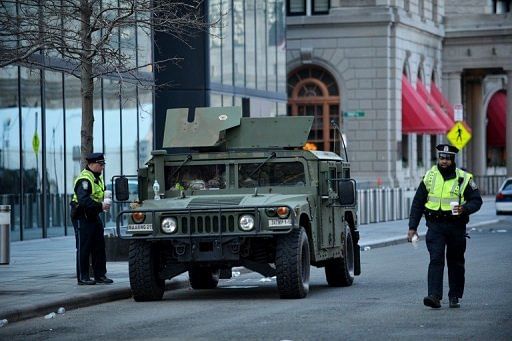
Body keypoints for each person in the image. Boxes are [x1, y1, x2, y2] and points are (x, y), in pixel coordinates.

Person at [407, 144, 482, 309]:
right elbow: (418, 203)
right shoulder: (430, 176)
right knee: (436, 259)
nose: (444, 161)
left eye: (447, 158)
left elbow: (477, 200)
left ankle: (454, 295)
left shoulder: (463, 178)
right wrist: (413, 227)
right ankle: (434, 296)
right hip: (435, 225)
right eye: (442, 158)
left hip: (456, 226)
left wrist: (465, 208)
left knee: (455, 262)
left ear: (453, 159)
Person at [70, 153, 113, 285]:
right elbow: (83, 201)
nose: (102, 167)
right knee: (84, 247)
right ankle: (83, 277)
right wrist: (100, 205)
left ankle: (100, 275)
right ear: (91, 164)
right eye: (100, 165)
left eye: (103, 165)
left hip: (93, 215)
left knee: (99, 246)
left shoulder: (97, 178)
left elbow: (98, 194)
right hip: (82, 216)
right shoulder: (85, 179)